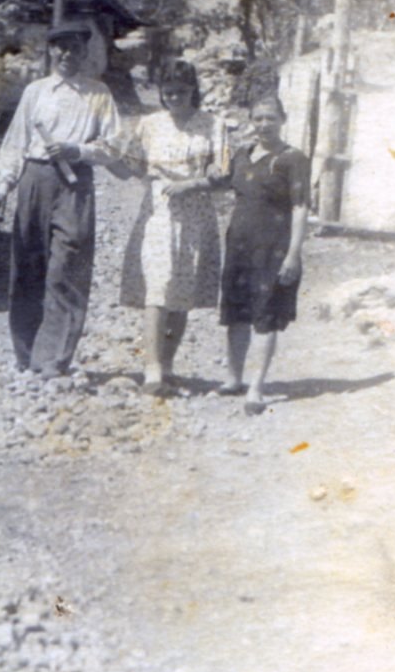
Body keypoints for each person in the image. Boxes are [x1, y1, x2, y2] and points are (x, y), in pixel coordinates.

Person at [0, 21, 122, 378]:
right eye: (60, 47)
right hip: (34, 180)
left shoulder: (99, 94)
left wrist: (76, 150)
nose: (67, 54)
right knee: (28, 266)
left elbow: (114, 146)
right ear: (50, 51)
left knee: (67, 265)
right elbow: (16, 142)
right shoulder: (36, 92)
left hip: (75, 184)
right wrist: (4, 186)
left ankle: (53, 358)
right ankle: (26, 353)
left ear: (85, 51)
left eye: (75, 47)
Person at [116, 60, 230, 395]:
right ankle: (151, 371)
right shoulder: (150, 124)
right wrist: (106, 156)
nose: (174, 98)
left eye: (181, 91)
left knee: (182, 288)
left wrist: (195, 182)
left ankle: (167, 366)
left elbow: (223, 172)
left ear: (193, 89)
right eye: (168, 92)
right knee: (158, 284)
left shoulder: (213, 124)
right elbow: (130, 164)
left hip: (196, 213)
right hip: (159, 212)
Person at [219, 94, 310, 414]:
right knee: (236, 314)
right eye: (258, 118)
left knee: (265, 316)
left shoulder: (293, 158)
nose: (264, 125)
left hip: (273, 248)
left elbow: (300, 207)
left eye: (271, 118)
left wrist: (293, 254)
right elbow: (225, 184)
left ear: (283, 120)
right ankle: (233, 378)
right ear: (250, 121)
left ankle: (256, 388)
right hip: (239, 245)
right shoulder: (242, 155)